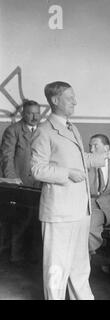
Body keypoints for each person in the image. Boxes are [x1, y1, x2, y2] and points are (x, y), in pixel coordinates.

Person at [31, 81, 110, 300]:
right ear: (55, 101)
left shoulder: (72, 127)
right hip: (59, 212)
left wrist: (101, 158)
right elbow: (36, 169)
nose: (75, 102)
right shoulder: (44, 130)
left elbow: (78, 158)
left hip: (80, 210)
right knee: (56, 269)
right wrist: (66, 173)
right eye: (70, 98)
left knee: (80, 267)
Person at [0, 99, 41, 263]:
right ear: (23, 114)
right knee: (18, 221)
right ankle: (15, 258)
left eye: (37, 113)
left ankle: (31, 257)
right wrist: (12, 181)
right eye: (30, 113)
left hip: (38, 183)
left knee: (35, 220)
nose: (34, 116)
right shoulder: (13, 130)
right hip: (19, 184)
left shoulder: (43, 130)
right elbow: (6, 158)